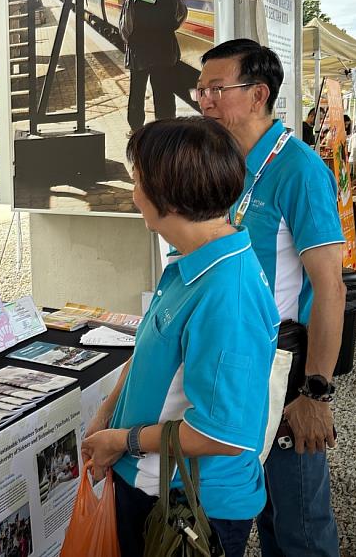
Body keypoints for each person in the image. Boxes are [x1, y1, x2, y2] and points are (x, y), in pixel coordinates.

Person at [82, 117, 279, 557]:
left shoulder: (228, 292)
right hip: (150, 483)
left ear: (164, 196)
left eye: (137, 181)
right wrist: (107, 417)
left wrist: (122, 440)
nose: (134, 194)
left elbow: (223, 434)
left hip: (190, 506)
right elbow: (151, 349)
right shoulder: (191, 261)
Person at [194, 39, 345, 557]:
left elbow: (330, 285)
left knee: (297, 518)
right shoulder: (221, 162)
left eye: (217, 89)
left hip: (284, 369)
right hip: (232, 365)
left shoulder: (298, 169)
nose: (204, 100)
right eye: (201, 89)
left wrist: (316, 392)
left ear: (258, 94)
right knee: (245, 503)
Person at [119, 0, 188, 133]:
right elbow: (181, 12)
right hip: (164, 49)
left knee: (137, 91)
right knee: (164, 91)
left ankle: (136, 128)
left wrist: (132, 41)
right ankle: (166, 129)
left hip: (139, 51)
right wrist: (167, 29)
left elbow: (125, 25)